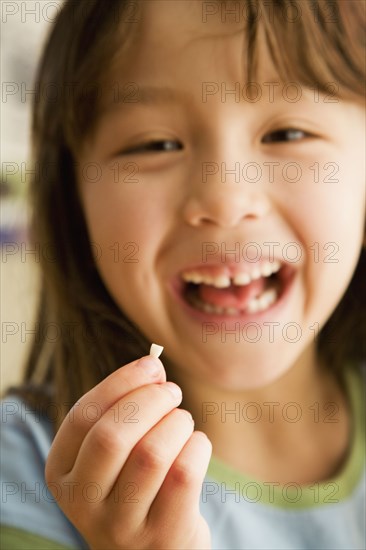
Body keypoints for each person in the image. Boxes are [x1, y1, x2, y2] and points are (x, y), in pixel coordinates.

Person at [1, 0, 365, 548]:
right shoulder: (24, 470)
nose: (223, 198)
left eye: (287, 134)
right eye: (156, 144)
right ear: (75, 208)